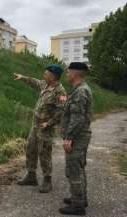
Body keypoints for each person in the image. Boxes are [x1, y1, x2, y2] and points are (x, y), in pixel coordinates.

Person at [14, 64, 67, 193]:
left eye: (46, 74)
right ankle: (31, 176)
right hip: (35, 125)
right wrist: (22, 78)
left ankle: (47, 180)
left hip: (46, 128)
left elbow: (62, 111)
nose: (44, 76)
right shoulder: (45, 85)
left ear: (53, 76)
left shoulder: (61, 92)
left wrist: (49, 123)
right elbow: (35, 82)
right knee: (30, 148)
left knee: (44, 153)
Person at [59, 62, 93, 216]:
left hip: (77, 137)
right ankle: (80, 198)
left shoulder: (80, 92)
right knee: (78, 168)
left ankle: (78, 206)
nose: (67, 74)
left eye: (68, 72)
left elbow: (77, 118)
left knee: (74, 170)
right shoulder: (79, 90)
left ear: (75, 74)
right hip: (80, 136)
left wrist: (69, 138)